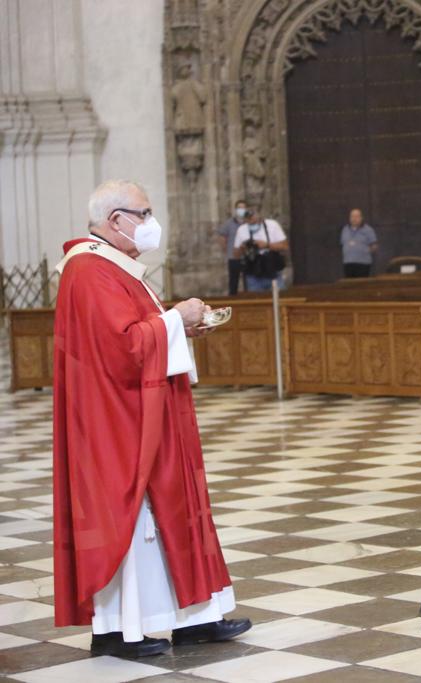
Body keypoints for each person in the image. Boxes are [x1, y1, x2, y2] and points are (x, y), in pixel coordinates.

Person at [52, 180, 251, 658]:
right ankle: (118, 632)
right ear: (115, 219)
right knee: (134, 520)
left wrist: (180, 329)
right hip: (118, 423)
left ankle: (192, 619)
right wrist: (175, 319)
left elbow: (141, 333)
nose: (150, 222)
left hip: (151, 412)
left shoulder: (113, 265)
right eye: (144, 213)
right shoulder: (87, 269)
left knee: (174, 512)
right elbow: (121, 349)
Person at [234, 209, 288, 291]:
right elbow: (235, 254)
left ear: (260, 218)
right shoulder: (242, 230)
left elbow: (285, 246)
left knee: (279, 299)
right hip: (253, 273)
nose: (252, 224)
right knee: (256, 300)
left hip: (273, 271)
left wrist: (266, 245)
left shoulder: (272, 225)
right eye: (249, 222)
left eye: (254, 221)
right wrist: (243, 248)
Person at [217, 199, 248, 295]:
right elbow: (222, 236)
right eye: (239, 208)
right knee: (233, 281)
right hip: (233, 257)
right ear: (235, 209)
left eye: (243, 208)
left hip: (247, 256)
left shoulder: (249, 222)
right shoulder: (229, 223)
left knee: (248, 281)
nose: (241, 210)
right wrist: (226, 249)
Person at [340, 208, 378, 278]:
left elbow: (374, 246)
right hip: (348, 263)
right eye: (352, 216)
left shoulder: (368, 230)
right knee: (349, 287)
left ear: (361, 218)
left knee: (362, 287)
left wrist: (364, 252)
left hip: (363, 264)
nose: (354, 219)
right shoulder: (345, 229)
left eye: (356, 216)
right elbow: (343, 244)